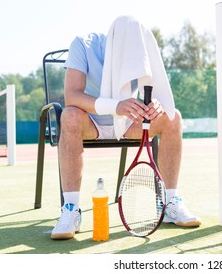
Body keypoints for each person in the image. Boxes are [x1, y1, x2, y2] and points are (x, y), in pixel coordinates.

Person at [51, 16, 201, 240]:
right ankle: (71, 210)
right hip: (90, 123)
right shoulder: (83, 44)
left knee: (172, 116)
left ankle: (170, 203)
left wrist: (156, 106)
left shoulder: (139, 46)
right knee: (69, 115)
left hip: (128, 123)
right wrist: (116, 106)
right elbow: (71, 95)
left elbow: (155, 91)